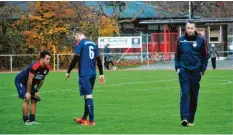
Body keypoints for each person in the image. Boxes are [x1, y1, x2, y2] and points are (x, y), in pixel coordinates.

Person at [66, 27, 105, 126]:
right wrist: (101, 73)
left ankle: (91, 121)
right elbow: (98, 60)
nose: (76, 40)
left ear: (78, 35)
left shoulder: (81, 44)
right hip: (93, 74)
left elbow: (75, 58)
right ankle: (83, 118)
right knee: (86, 96)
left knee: (88, 96)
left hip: (84, 74)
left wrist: (68, 71)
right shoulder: (93, 43)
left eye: (76, 38)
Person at [174, 21, 209, 127]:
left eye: (191, 28)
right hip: (184, 71)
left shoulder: (201, 40)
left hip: (196, 72)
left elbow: (205, 56)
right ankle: (184, 118)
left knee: (194, 96)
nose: (189, 30)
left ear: (195, 29)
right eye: (188, 28)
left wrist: (202, 69)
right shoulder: (180, 40)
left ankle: (191, 118)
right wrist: (178, 68)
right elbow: (177, 55)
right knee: (185, 94)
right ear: (186, 29)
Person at [14, 51, 51, 125]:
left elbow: (42, 79)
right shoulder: (35, 66)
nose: (49, 61)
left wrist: (37, 91)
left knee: (34, 99)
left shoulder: (48, 68)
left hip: (29, 83)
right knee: (27, 98)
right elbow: (30, 80)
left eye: (49, 59)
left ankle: (32, 120)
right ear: (42, 58)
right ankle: (26, 121)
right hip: (21, 81)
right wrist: (28, 92)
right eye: (47, 59)